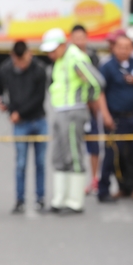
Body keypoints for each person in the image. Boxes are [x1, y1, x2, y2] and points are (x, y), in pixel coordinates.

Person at [40, 28, 102, 214]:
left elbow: (96, 82)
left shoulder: (75, 58)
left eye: (53, 49)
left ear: (62, 45)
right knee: (58, 156)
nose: (50, 53)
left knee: (73, 155)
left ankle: (75, 202)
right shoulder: (59, 60)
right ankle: (60, 199)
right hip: (59, 112)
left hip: (74, 111)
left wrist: (85, 101)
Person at [0, 40, 48, 213]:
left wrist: (19, 113)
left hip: (38, 120)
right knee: (20, 163)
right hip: (19, 122)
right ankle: (20, 200)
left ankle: (40, 198)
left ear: (29, 54)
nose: (22, 64)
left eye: (25, 60)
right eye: (19, 61)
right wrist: (3, 105)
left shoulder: (39, 70)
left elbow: (39, 98)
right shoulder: (5, 70)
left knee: (40, 162)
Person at [98, 35, 133, 202]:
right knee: (113, 154)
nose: (123, 50)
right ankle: (104, 189)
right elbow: (99, 92)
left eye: (127, 47)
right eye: (120, 47)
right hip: (116, 118)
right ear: (114, 48)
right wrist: (105, 115)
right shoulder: (108, 67)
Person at [71, 25, 103, 194]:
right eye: (75, 38)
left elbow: (96, 81)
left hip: (90, 107)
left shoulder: (92, 56)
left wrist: (94, 103)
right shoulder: (69, 57)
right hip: (73, 107)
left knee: (93, 145)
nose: (79, 42)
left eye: (81, 38)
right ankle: (78, 181)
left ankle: (94, 179)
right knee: (75, 146)